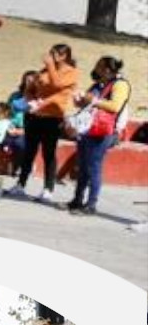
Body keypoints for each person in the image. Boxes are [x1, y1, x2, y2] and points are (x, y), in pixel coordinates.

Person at [10, 44, 79, 205]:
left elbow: (57, 84)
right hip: (35, 116)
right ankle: (21, 184)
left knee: (48, 153)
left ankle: (48, 189)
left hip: (53, 117)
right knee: (29, 151)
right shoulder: (44, 71)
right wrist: (30, 97)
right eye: (51, 53)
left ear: (65, 56)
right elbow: (31, 87)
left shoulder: (71, 72)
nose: (52, 56)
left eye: (56, 54)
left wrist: (49, 66)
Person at [68, 56, 130, 216]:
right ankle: (77, 200)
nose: (95, 69)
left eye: (98, 66)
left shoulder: (120, 85)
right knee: (82, 166)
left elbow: (115, 106)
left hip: (104, 131)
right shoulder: (99, 84)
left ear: (107, 69)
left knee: (93, 167)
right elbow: (87, 103)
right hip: (88, 129)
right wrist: (79, 100)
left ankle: (91, 205)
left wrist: (93, 100)